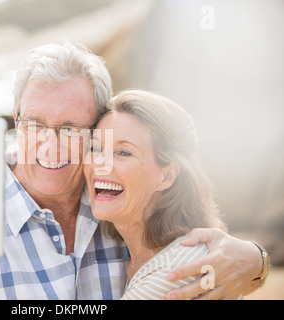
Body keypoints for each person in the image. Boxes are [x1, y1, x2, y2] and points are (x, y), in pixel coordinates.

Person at [0, 42, 266, 300]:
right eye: (36, 124)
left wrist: (254, 261)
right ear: (16, 121)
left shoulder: (119, 204)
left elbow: (200, 254)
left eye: (71, 128)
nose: (50, 145)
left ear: (97, 130)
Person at [84, 89, 238, 299]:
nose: (100, 165)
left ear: (166, 177)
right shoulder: (143, 254)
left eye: (124, 153)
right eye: (95, 149)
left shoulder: (177, 271)